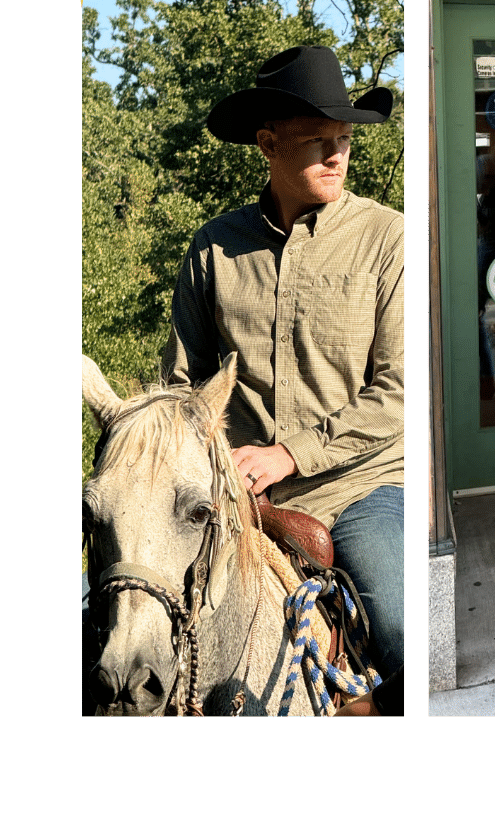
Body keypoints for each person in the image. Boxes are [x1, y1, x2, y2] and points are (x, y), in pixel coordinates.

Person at [161, 45, 404, 681]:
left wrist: (290, 454)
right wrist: (216, 466)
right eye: (318, 140)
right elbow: (181, 391)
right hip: (236, 492)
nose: (338, 156)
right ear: (269, 145)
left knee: (402, 628)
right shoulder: (214, 247)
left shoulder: (388, 238)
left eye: (345, 139)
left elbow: (397, 392)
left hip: (361, 486)